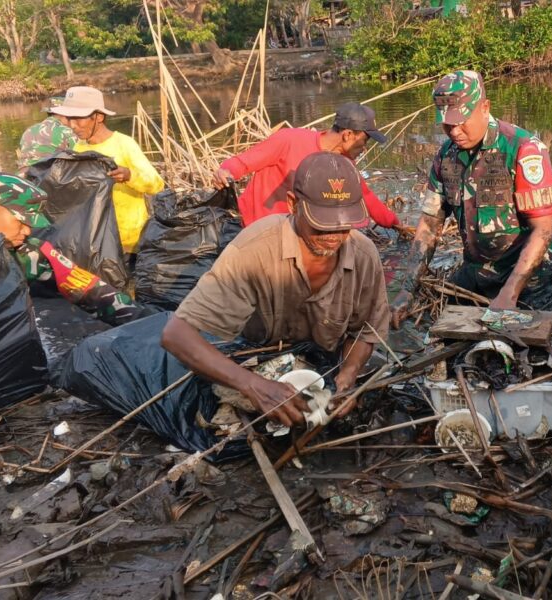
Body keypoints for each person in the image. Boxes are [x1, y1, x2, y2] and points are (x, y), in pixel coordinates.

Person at [163, 152, 390, 425]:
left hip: (322, 364)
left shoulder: (364, 254)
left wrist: (348, 376)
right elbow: (176, 335)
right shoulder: (255, 249)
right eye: (321, 223)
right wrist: (252, 385)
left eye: (344, 225)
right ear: (294, 204)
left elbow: (366, 330)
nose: (334, 235)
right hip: (257, 358)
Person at [390, 70, 552, 326]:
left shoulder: (522, 148)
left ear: (485, 107)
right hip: (477, 272)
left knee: (542, 342)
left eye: (462, 121)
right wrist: (406, 289)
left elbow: (543, 230)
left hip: (529, 277)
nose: (455, 131)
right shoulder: (445, 156)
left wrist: (509, 294)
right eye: (447, 124)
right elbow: (429, 226)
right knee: (439, 333)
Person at [0, 173, 142, 326]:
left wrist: (148, 321)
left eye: (31, 223)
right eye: (21, 221)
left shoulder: (30, 254)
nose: (28, 231)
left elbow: (91, 290)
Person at [212, 102, 408, 233]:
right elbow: (242, 162)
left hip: (294, 229)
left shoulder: (343, 162)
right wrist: (225, 171)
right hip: (255, 227)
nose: (365, 148)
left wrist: (396, 224)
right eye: (365, 141)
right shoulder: (289, 140)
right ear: (348, 135)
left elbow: (364, 195)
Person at [50, 86, 165, 255]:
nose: (73, 126)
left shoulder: (123, 144)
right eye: (69, 119)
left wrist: (129, 175)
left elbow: (156, 185)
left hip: (131, 240)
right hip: (98, 241)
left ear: (99, 117)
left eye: (79, 119)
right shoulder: (78, 148)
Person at [17, 97, 77, 174]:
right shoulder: (67, 131)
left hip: (22, 175)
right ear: (63, 113)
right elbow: (78, 157)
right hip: (47, 178)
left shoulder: (28, 130)